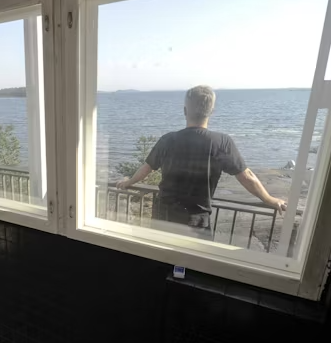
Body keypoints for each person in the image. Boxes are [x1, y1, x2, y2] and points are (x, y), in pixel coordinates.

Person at [117, 85, 286, 239]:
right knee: (193, 259)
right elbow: (246, 177)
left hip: (164, 215)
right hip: (196, 220)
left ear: (185, 111)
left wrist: (129, 182)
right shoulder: (221, 142)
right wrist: (269, 199)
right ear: (211, 112)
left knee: (160, 255)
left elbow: (147, 168)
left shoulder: (168, 140)